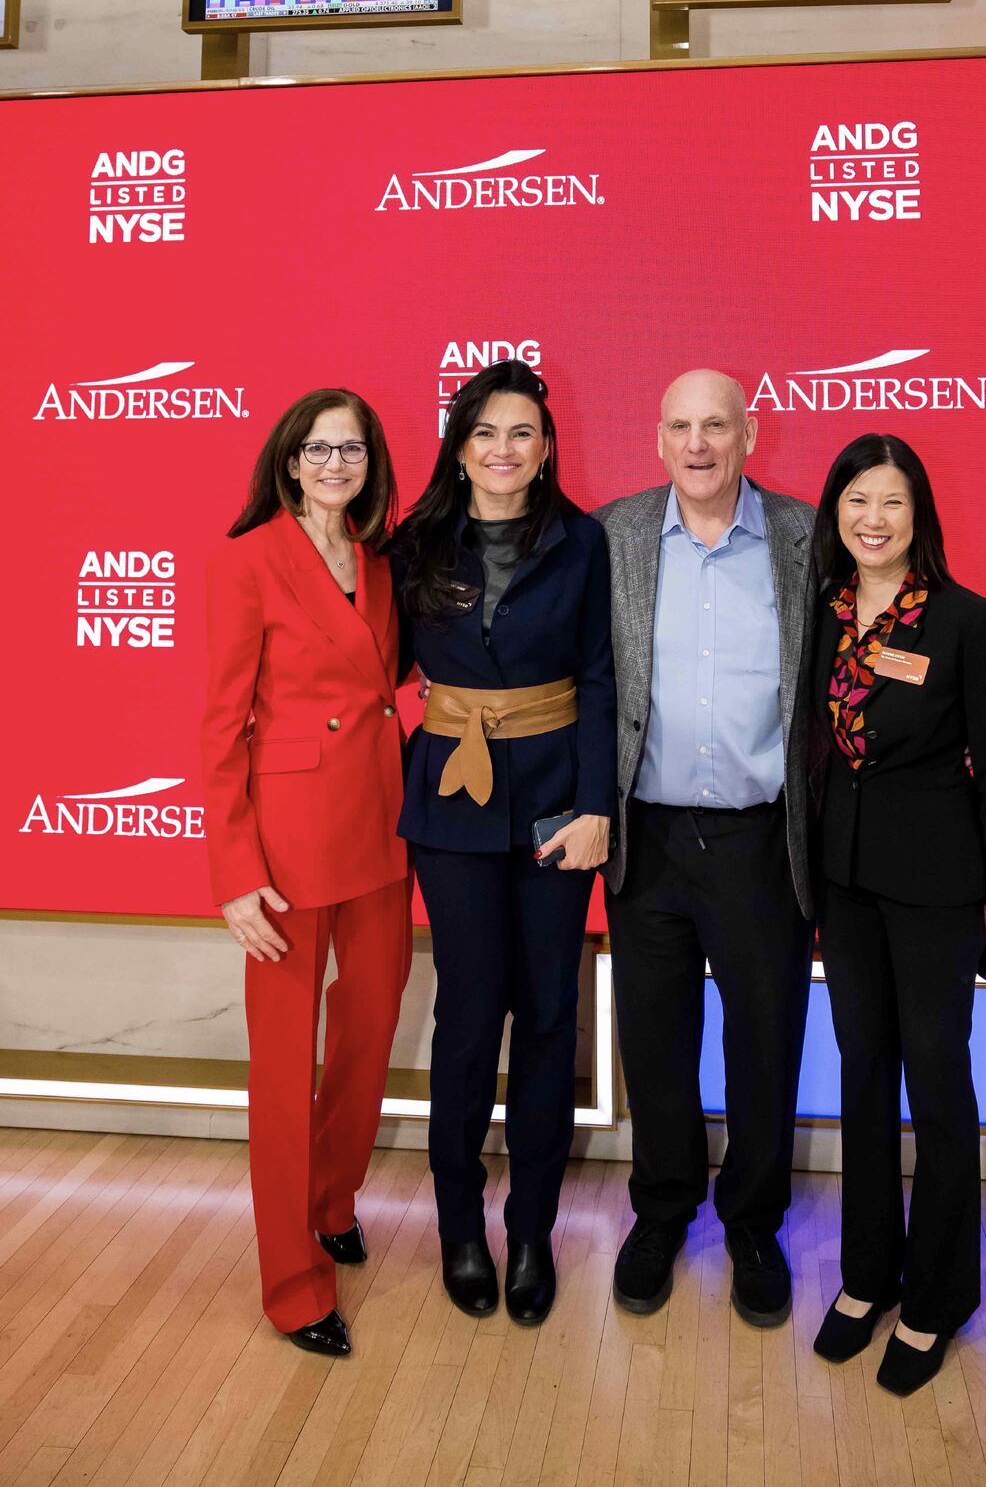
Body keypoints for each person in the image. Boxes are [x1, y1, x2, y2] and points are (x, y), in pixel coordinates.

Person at [808, 433, 986, 1395]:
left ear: (919, 515)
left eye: (891, 502)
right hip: (843, 881)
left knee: (938, 1083)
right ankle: (869, 1274)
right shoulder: (819, 616)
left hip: (939, 885)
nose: (873, 519)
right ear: (836, 511)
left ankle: (939, 1297)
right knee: (863, 1074)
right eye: (858, 500)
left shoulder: (964, 619)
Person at [394, 360, 615, 1328]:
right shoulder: (412, 543)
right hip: (450, 799)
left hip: (555, 804)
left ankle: (530, 1231)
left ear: (547, 447)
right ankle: (457, 1227)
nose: (502, 450)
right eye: (484, 432)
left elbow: (602, 681)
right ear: (458, 444)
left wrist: (596, 806)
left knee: (547, 1014)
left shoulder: (582, 541)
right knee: (468, 1015)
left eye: (520, 432)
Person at [596, 368, 814, 1328]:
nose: (698, 444)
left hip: (765, 838)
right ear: (657, 439)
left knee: (767, 1038)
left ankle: (756, 1222)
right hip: (647, 834)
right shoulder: (615, 535)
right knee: (655, 1037)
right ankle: (662, 1210)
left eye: (716, 425)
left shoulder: (809, 538)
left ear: (749, 434)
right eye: (680, 425)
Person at [201, 387, 412, 1359]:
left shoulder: (377, 561)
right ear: (289, 461)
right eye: (319, 450)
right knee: (284, 1067)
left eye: (352, 451)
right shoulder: (248, 561)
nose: (335, 465)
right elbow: (219, 728)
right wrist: (235, 873)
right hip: (285, 848)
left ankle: (332, 1201)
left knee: (368, 1032)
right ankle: (291, 1281)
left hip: (379, 827)